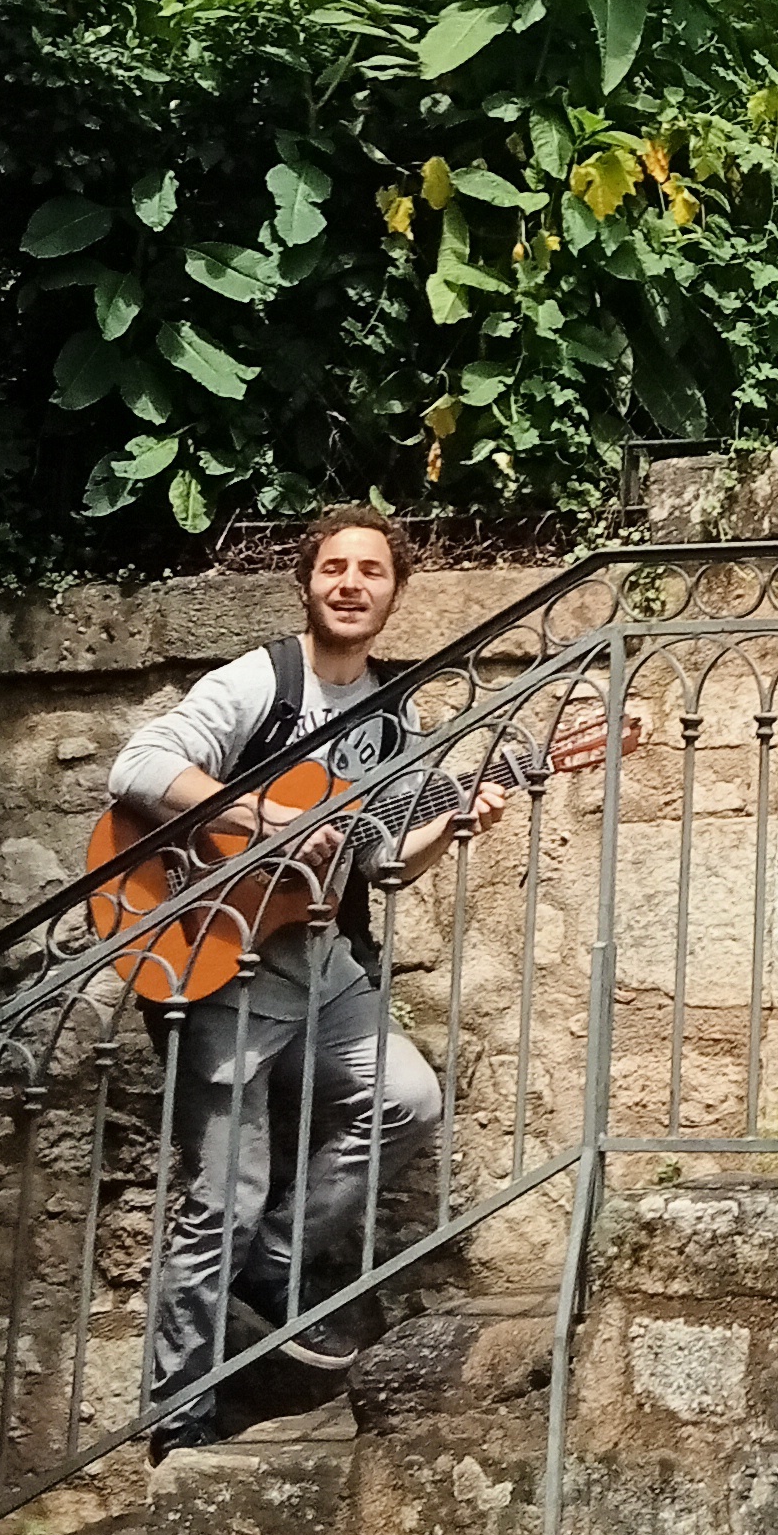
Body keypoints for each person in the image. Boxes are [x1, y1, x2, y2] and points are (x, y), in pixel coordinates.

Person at [110, 505, 500, 1458]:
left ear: (394, 592)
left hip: (322, 954)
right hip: (224, 949)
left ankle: (274, 1269)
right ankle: (180, 1420)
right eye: (335, 567)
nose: (352, 584)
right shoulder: (263, 680)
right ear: (308, 582)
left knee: (407, 1100)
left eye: (372, 570)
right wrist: (257, 816)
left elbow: (378, 860)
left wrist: (453, 823)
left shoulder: (394, 713)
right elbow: (139, 764)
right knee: (220, 1201)